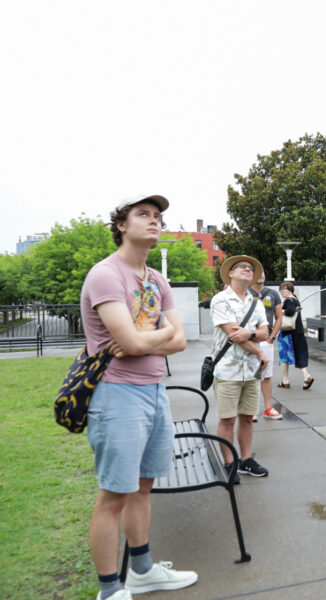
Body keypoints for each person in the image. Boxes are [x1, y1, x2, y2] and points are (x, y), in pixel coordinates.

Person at [82, 194, 196, 599]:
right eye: (143, 215)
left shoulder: (156, 279)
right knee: (114, 494)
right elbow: (128, 342)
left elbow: (178, 341)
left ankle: (143, 571)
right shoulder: (106, 275)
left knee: (143, 488)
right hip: (116, 395)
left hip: (154, 391)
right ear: (121, 225)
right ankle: (110, 590)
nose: (154, 221)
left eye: (158, 217)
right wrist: (155, 336)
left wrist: (151, 339)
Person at [210, 255, 271, 478]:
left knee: (247, 417)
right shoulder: (220, 300)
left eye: (250, 268)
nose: (247, 269)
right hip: (228, 369)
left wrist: (251, 333)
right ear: (231, 273)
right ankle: (229, 463)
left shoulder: (256, 302)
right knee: (228, 418)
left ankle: (245, 460)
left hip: (252, 371)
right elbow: (233, 334)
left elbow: (265, 332)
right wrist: (259, 350)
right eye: (241, 267)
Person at [248, 268, 283, 421]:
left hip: (267, 341)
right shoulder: (246, 292)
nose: (261, 275)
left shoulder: (273, 294)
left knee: (266, 375)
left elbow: (279, 318)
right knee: (251, 376)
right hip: (250, 340)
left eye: (263, 272)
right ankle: (252, 410)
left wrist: (272, 337)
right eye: (258, 272)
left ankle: (268, 408)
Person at [276, 281, 314, 389]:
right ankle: (306, 376)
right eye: (280, 289)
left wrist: (279, 311)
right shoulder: (295, 300)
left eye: (283, 289)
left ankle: (286, 380)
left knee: (284, 357)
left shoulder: (289, 300)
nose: (281, 292)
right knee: (298, 354)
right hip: (298, 332)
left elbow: (290, 312)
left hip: (288, 333)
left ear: (290, 290)